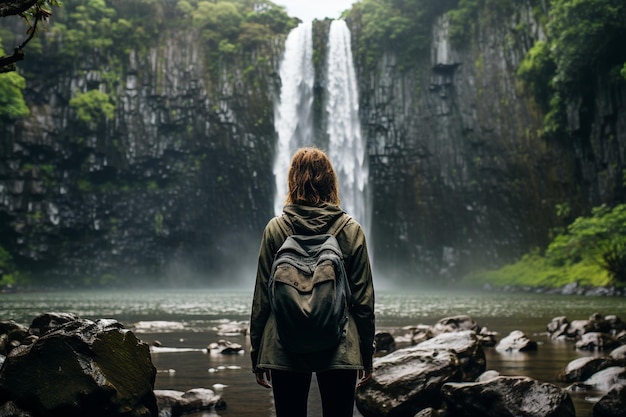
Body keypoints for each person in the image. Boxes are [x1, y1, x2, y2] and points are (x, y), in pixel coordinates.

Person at [250, 147, 375, 417]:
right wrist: (366, 353)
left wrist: (257, 354)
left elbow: (262, 297)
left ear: (292, 181)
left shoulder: (276, 229)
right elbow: (363, 301)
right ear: (330, 181)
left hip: (284, 345)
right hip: (340, 346)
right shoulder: (350, 229)